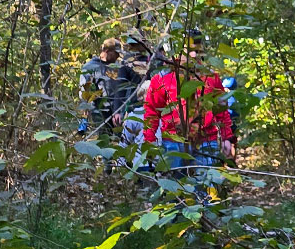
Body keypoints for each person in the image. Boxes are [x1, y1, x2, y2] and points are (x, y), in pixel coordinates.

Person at [140, 30, 235, 174]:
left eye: (198, 50)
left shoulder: (209, 76)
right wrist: (150, 140)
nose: (194, 55)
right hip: (173, 143)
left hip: (206, 141)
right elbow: (151, 111)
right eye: (190, 50)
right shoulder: (162, 78)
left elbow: (221, 110)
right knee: (176, 191)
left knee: (206, 190)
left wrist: (227, 138)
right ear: (178, 49)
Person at [77, 38, 124, 135]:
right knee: (104, 141)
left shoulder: (117, 67)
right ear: (107, 51)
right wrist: (84, 117)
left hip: (118, 111)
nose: (118, 56)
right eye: (116, 53)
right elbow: (85, 93)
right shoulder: (90, 67)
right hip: (99, 113)